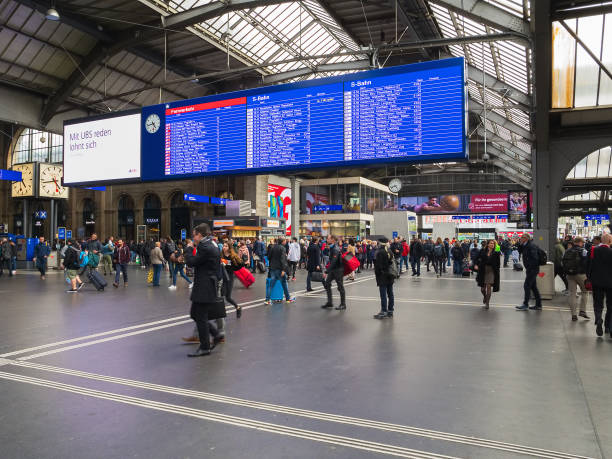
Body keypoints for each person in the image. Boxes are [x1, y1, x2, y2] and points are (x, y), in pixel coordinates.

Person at [183, 223, 223, 357]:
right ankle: (216, 334)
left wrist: (188, 249)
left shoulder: (204, 246)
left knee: (200, 315)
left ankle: (205, 347)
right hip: (208, 284)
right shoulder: (211, 244)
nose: (193, 238)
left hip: (204, 286)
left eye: (194, 235)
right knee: (196, 313)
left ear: (199, 235)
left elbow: (192, 262)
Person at [587, 233, 612, 337]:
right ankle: (608, 326)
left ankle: (598, 319)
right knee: (610, 305)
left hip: (596, 282)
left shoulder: (593, 250)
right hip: (610, 283)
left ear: (601, 240)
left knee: (598, 303)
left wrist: (589, 278)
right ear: (610, 241)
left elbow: (588, 266)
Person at [562, 237, 589, 322]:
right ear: (580, 242)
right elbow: (588, 262)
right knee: (585, 292)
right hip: (581, 274)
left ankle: (573, 315)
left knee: (572, 294)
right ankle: (582, 311)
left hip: (570, 275)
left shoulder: (567, 251)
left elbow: (562, 262)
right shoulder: (584, 251)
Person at [264, 237, 295, 305]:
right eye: (285, 240)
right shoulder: (283, 248)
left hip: (272, 268)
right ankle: (288, 298)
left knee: (271, 285)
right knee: (284, 284)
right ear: (282, 241)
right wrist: (284, 270)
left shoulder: (273, 247)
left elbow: (268, 257)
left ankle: (267, 300)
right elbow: (283, 260)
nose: (286, 242)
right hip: (280, 269)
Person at [516, 234, 542, 311]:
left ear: (526, 238)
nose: (520, 239)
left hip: (532, 269)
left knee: (526, 285)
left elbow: (535, 258)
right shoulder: (525, 245)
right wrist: (520, 245)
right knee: (533, 287)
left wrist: (530, 267)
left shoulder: (531, 246)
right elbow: (520, 251)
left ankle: (525, 304)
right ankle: (538, 305)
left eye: (522, 238)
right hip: (530, 269)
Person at [322, 235, 346, 310]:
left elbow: (334, 261)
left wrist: (326, 271)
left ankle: (343, 304)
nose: (327, 240)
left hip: (338, 270)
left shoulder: (335, 248)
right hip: (333, 270)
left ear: (332, 240)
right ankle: (330, 302)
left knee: (340, 287)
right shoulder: (332, 247)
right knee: (327, 283)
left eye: (328, 238)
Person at [474, 240, 501, 309]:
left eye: (493, 244)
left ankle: (487, 303)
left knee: (488, 286)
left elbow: (498, 263)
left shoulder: (496, 252)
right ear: (488, 244)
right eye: (491, 243)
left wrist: (496, 271)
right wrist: (476, 264)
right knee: (482, 289)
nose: (492, 244)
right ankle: (485, 297)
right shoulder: (482, 251)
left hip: (491, 270)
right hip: (483, 270)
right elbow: (477, 258)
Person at [373, 237, 395, 319]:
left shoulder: (380, 252)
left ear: (380, 243)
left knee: (383, 294)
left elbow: (378, 266)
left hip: (382, 276)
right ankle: (390, 310)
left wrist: (377, 274)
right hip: (390, 275)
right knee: (390, 293)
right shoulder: (389, 251)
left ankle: (383, 311)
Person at [220, 242, 243, 318]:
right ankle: (221, 313)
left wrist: (232, 268)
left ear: (229, 248)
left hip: (229, 277)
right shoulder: (221, 255)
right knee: (221, 295)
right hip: (222, 277)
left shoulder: (232, 256)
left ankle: (238, 308)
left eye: (226, 246)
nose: (224, 247)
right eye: (224, 246)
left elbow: (240, 265)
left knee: (228, 297)